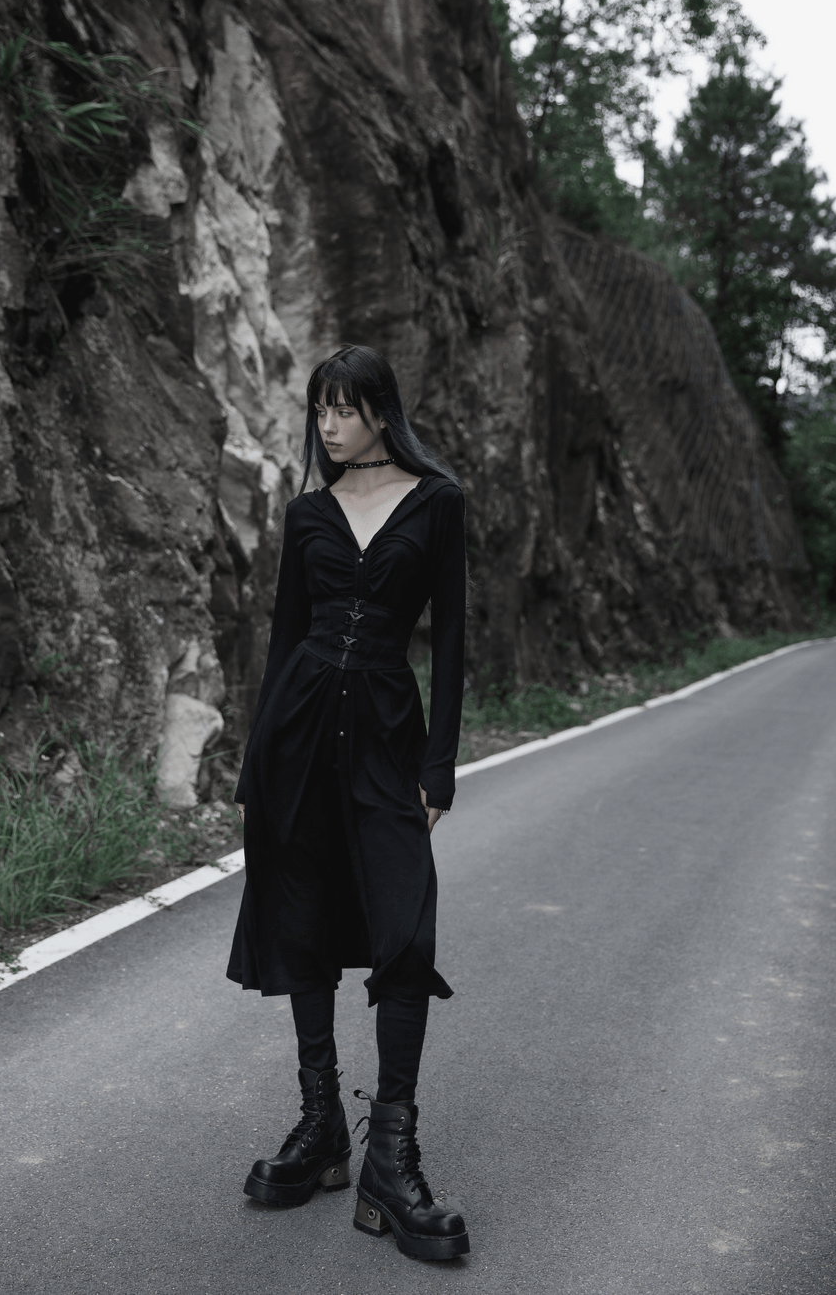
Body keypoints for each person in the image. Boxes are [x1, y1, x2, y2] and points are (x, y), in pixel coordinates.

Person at [227, 344, 469, 1263]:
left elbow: (448, 642)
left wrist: (438, 768)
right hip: (295, 740)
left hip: (385, 740)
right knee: (305, 920)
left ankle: (392, 1160)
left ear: (379, 410)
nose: (325, 425)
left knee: (406, 933)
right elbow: (286, 637)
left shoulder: (437, 503)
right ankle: (322, 1125)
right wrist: (256, 765)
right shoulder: (306, 513)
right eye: (318, 411)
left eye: (340, 408)